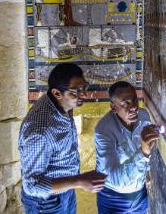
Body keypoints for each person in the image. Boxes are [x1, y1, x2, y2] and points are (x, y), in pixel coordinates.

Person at [19, 63, 106, 214]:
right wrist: (79, 181)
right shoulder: (40, 131)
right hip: (46, 203)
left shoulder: (62, 105)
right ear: (57, 93)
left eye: (84, 87)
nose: (84, 95)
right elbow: (32, 186)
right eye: (76, 91)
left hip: (65, 190)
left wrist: (75, 182)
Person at [94, 81, 160, 214]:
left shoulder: (143, 116)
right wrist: (144, 151)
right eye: (126, 103)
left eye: (135, 100)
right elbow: (115, 180)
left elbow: (143, 157)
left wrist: (145, 172)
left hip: (139, 195)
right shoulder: (104, 130)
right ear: (113, 107)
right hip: (113, 198)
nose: (134, 107)